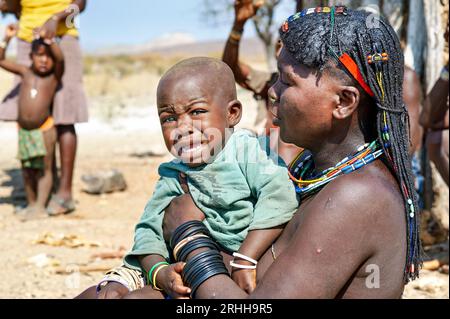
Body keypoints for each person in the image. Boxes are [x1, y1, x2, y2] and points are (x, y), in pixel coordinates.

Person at [161, 6, 421, 299]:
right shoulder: (313, 170)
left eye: (286, 81)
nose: (272, 92)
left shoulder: (359, 196)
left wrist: (189, 236)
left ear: (343, 102)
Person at [77, 57, 299, 299]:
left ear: (232, 114)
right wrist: (161, 273)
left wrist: (247, 257)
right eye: (169, 118)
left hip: (241, 268)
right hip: (188, 270)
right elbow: (149, 231)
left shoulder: (249, 152)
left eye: (197, 112)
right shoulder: (174, 174)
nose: (182, 127)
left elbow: (279, 196)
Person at [0, 0, 88, 216]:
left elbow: (81, 3)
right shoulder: (27, 61)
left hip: (63, 35)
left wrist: (56, 19)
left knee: (65, 114)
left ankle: (64, 193)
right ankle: (42, 189)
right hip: (27, 38)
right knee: (30, 111)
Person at [223, 0, 302, 164]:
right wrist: (238, 25)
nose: (282, 49)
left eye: (287, 44)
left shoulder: (313, 84)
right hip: (266, 165)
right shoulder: (269, 81)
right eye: (278, 43)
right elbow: (230, 68)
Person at [0, 24, 63, 218]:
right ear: (31, 57)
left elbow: (60, 58)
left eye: (48, 56)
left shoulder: (53, 77)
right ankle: (31, 203)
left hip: (44, 129)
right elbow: (0, 59)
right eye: (39, 55)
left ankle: (40, 207)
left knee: (44, 169)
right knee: (27, 169)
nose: (44, 60)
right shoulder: (25, 73)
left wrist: (49, 40)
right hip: (24, 131)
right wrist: (7, 39)